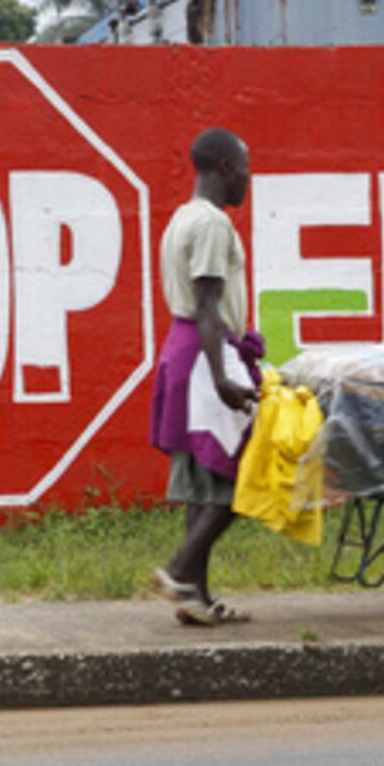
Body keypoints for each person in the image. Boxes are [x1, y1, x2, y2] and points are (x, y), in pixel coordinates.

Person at [150, 126, 260, 625]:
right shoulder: (214, 224)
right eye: (244, 170)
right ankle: (178, 571)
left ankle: (195, 597)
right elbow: (209, 305)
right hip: (205, 357)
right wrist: (221, 379)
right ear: (224, 167)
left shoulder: (182, 218)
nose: (247, 180)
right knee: (244, 473)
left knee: (205, 481)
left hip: (186, 351)